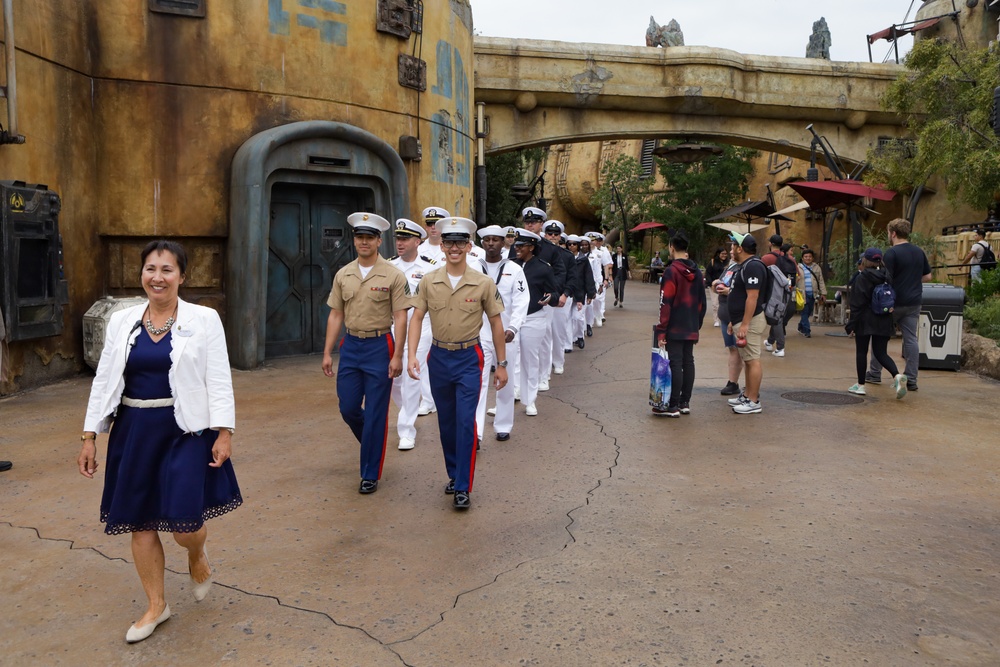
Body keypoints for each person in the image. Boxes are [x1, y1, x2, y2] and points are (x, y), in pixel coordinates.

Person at [79, 240, 242, 643]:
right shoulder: (123, 321)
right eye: (150, 269)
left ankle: (195, 552)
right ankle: (157, 605)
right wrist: (89, 436)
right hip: (133, 429)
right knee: (140, 521)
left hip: (185, 429)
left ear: (182, 276)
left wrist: (224, 431)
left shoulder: (204, 319)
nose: (158, 277)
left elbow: (219, 376)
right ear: (142, 275)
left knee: (185, 524)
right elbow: (104, 381)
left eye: (167, 270)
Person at [407, 217, 507, 510]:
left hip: (468, 358)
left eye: (459, 242)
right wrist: (412, 354)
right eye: (448, 242)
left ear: (468, 246)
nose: (454, 248)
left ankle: (463, 485)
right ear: (442, 245)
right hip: (438, 358)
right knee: (447, 423)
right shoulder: (429, 280)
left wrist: (501, 363)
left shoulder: (483, 283)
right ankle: (454, 474)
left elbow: (496, 323)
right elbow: (416, 318)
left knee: (465, 423)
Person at [322, 213, 410, 495]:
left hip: (379, 346)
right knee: (348, 408)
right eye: (360, 237)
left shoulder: (393, 275)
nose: (364, 242)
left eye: (369, 237)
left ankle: (369, 472)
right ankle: (374, 443)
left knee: (375, 413)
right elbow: (336, 314)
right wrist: (327, 352)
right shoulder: (343, 274)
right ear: (354, 239)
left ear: (378, 241)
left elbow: (401, 317)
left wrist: (397, 355)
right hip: (351, 347)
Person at [388, 218, 439, 450]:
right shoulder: (389, 267)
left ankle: (407, 430)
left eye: (405, 238)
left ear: (417, 241)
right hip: (392, 328)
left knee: (410, 375)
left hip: (422, 327)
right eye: (398, 238)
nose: (400, 243)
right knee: (394, 380)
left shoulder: (430, 268)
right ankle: (409, 408)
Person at [475, 226, 529, 442]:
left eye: (495, 240)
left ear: (503, 243)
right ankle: (475, 431)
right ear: (482, 243)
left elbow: (521, 301)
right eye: (487, 240)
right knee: (477, 383)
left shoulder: (514, 269)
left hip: (506, 336)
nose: (490, 243)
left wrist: (513, 328)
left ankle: (503, 425)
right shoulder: (472, 268)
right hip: (478, 335)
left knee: (504, 381)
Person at [866, 218, 932, 392]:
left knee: (879, 336)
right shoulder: (919, 251)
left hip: (893, 302)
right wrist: (911, 281)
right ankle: (911, 379)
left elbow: (886, 278)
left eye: (888, 232)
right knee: (911, 339)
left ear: (893, 233)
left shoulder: (892, 253)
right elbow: (928, 276)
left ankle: (874, 372)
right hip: (914, 302)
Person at [652, 232, 706, 417]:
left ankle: (672, 405)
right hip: (691, 323)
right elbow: (702, 301)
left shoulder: (671, 271)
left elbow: (665, 302)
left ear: (671, 248)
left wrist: (661, 330)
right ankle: (684, 402)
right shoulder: (697, 271)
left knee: (675, 362)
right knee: (688, 361)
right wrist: (696, 325)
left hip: (675, 324)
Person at [846, 248, 908, 399]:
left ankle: (860, 385)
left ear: (865, 261)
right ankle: (897, 376)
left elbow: (857, 304)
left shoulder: (862, 278)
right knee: (881, 353)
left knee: (861, 351)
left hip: (865, 320)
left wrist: (851, 324)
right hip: (884, 318)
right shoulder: (887, 276)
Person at [510, 229, 557, 419]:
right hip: (512, 319)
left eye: (521, 246)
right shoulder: (511, 266)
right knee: (510, 360)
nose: (517, 249)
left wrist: (550, 298)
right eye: (516, 245)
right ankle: (507, 399)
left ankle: (530, 400)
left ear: (532, 247)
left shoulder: (543, 268)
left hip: (533, 317)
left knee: (530, 360)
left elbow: (554, 293)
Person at [726, 231, 767, 414]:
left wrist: (744, 324)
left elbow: (753, 297)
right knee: (748, 359)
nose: (731, 249)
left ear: (740, 248)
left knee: (752, 360)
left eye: (733, 245)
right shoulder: (744, 266)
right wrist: (734, 321)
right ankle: (748, 394)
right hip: (741, 320)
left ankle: (753, 400)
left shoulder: (752, 267)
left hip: (750, 321)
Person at [710, 241, 744, 396]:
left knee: (741, 351)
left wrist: (728, 291)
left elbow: (746, 293)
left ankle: (742, 386)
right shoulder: (730, 267)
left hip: (737, 316)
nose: (730, 252)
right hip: (725, 314)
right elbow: (721, 284)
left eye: (732, 248)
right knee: (732, 349)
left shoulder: (746, 268)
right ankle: (732, 382)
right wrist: (716, 284)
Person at [762, 235, 799, 358]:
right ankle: (770, 341)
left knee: (776, 318)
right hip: (787, 292)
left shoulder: (767, 258)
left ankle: (780, 348)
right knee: (779, 317)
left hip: (773, 293)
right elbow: (797, 276)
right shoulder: (790, 258)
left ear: (770, 244)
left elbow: (761, 275)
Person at [567, 235, 597, 349]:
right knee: (568, 319)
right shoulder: (564, 257)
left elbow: (588, 277)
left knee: (578, 317)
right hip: (568, 293)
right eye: (569, 244)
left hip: (580, 293)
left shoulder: (583, 259)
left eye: (574, 244)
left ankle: (579, 336)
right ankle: (569, 343)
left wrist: (590, 293)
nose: (572, 246)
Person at [796, 247, 826, 338]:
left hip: (813, 293)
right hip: (802, 294)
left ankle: (801, 326)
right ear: (802, 258)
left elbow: (821, 280)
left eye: (809, 256)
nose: (808, 258)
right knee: (804, 312)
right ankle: (807, 330)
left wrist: (823, 293)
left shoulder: (817, 267)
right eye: (805, 256)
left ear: (812, 258)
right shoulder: (798, 267)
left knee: (809, 312)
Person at [581, 236, 603, 336]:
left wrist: (600, 284)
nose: (584, 247)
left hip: (590, 283)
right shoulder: (576, 256)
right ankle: (581, 329)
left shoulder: (594, 256)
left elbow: (597, 271)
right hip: (580, 284)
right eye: (582, 245)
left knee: (589, 306)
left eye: (586, 245)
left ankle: (589, 325)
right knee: (581, 307)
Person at [704, 246, 729, 327]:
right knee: (715, 303)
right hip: (714, 285)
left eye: (725, 254)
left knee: (725, 302)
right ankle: (716, 319)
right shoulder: (713, 262)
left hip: (725, 285)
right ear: (718, 254)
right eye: (722, 253)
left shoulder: (728, 263)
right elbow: (708, 273)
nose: (724, 255)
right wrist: (711, 283)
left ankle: (725, 318)